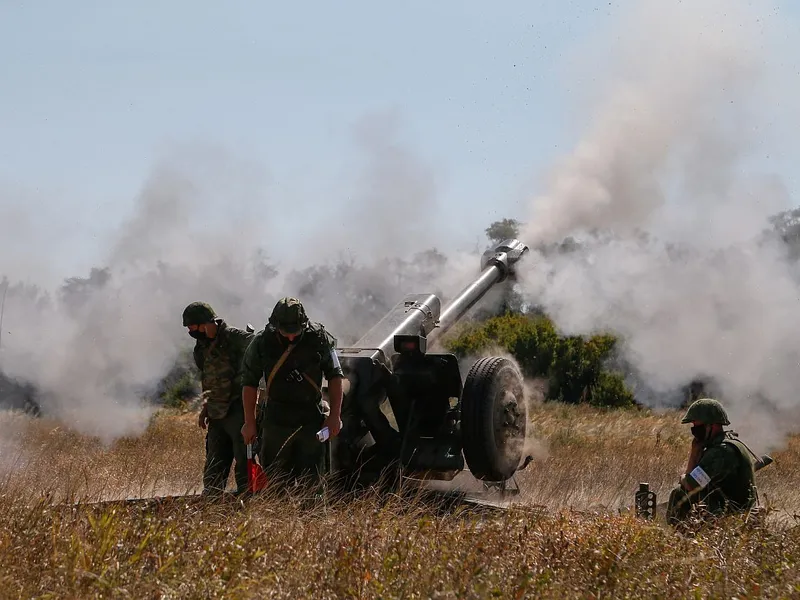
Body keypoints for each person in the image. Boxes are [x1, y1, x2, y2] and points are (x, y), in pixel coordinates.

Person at [240, 297, 344, 488]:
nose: (290, 337)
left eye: (295, 332)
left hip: (310, 420)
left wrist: (335, 416)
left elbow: (335, 376)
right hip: (276, 421)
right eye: (285, 332)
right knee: (275, 484)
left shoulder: (319, 339)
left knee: (313, 485)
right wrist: (249, 422)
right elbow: (249, 383)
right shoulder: (261, 343)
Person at [183, 301, 255, 497]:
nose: (190, 331)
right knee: (215, 464)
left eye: (192, 327)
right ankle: (212, 507)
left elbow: (258, 351)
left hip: (238, 411)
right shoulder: (201, 348)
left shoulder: (235, 338)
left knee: (244, 463)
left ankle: (249, 505)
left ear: (206, 323)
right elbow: (208, 379)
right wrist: (205, 408)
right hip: (216, 414)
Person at [666, 398, 758, 525]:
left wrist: (685, 474)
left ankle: (680, 539)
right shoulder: (725, 443)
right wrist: (696, 451)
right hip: (735, 510)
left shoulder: (721, 452)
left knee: (678, 494)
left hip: (734, 515)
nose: (694, 430)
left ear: (712, 426)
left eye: (697, 426)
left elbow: (690, 485)